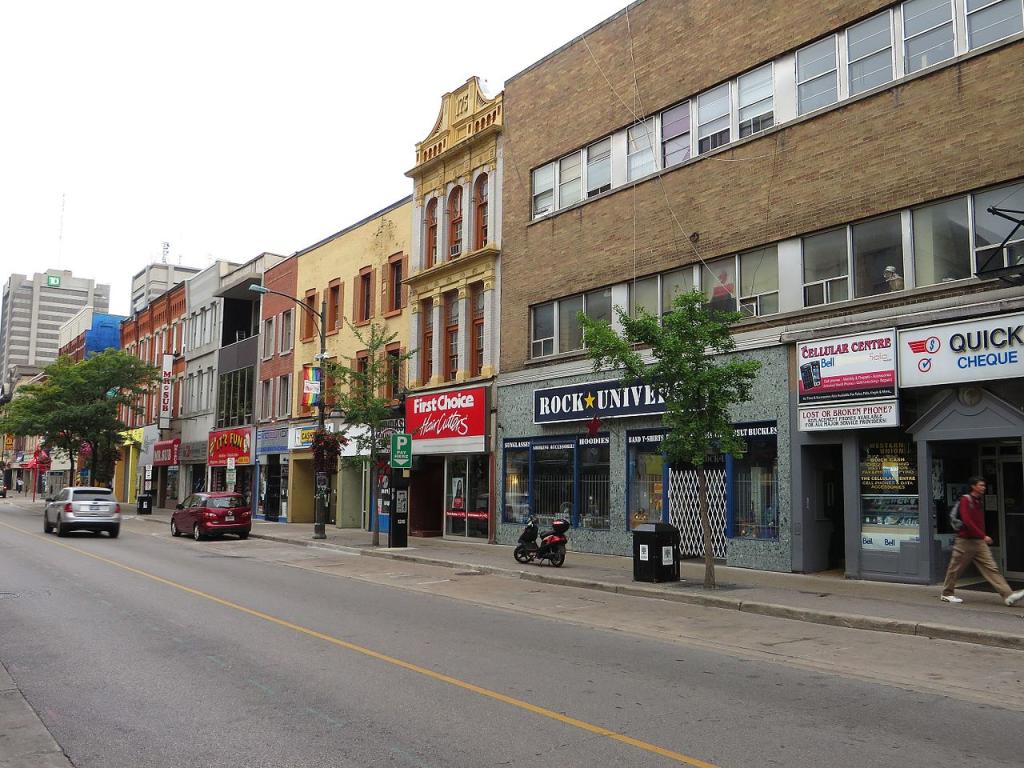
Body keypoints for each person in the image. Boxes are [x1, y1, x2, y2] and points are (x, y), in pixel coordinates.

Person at [941, 476, 1024, 606]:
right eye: (981, 485)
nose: (983, 487)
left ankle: (1008, 595)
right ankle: (947, 593)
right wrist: (983, 536)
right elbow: (967, 521)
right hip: (965, 541)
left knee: (991, 568)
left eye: (984, 485)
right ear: (973, 486)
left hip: (978, 542)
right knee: (955, 568)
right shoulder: (965, 500)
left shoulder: (978, 501)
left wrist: (981, 536)